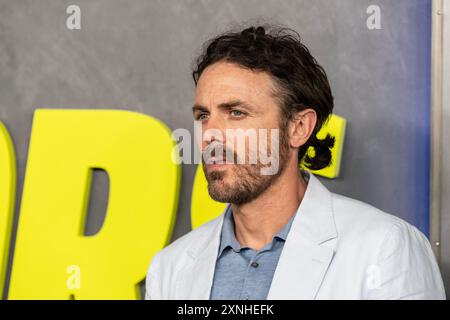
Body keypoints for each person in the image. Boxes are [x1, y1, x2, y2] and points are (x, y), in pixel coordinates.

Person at [145, 25, 446, 299]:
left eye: (236, 113)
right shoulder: (170, 267)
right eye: (203, 116)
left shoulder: (383, 248)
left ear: (299, 127)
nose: (209, 135)